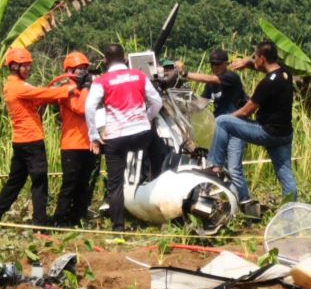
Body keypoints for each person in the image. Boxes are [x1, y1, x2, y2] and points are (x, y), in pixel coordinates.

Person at [0, 48, 75, 226]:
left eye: (29, 66)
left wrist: (54, 90)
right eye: (24, 66)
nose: (28, 69)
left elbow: (38, 97)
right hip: (32, 141)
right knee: (40, 181)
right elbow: (43, 94)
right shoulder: (18, 87)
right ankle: (40, 223)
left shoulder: (12, 86)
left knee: (15, 181)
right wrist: (69, 89)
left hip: (20, 142)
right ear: (14, 66)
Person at [84, 44, 163, 231]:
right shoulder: (139, 75)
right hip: (141, 134)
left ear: (105, 60)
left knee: (115, 183)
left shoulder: (102, 81)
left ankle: (118, 227)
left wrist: (94, 135)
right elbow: (157, 102)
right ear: (125, 58)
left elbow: (89, 108)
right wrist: (147, 117)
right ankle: (156, 194)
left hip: (116, 137)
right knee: (157, 151)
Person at [207, 41, 297, 204]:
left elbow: (246, 111)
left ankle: (215, 166)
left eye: (255, 57)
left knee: (222, 121)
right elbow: (261, 66)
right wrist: (246, 63)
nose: (253, 60)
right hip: (284, 134)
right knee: (286, 175)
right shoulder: (285, 73)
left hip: (266, 132)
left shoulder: (267, 83)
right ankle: (292, 211)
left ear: (262, 58)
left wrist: (229, 119)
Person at [175, 49, 251, 204]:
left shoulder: (231, 77)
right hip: (221, 130)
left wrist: (185, 73)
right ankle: (220, 200)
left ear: (226, 64)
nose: (215, 67)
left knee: (234, 168)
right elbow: (200, 104)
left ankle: (245, 202)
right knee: (214, 166)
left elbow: (211, 79)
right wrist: (179, 101)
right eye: (212, 64)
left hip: (236, 129)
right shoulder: (212, 86)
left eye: (218, 64)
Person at [51, 51, 99, 227]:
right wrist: (86, 88)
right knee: (70, 184)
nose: (82, 72)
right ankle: (61, 219)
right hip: (72, 144)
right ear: (69, 70)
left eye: (84, 69)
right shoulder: (66, 88)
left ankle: (77, 217)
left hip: (88, 143)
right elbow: (81, 108)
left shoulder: (86, 88)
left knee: (83, 184)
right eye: (78, 69)